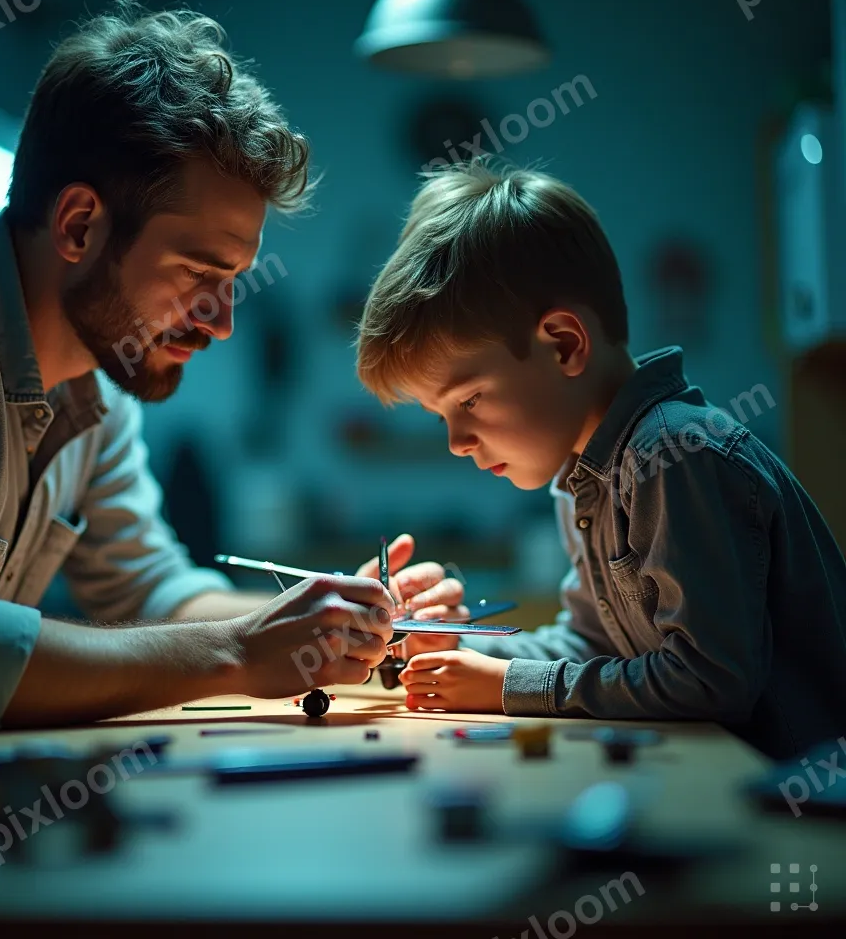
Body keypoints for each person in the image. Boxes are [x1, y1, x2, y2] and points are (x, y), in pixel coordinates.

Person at [0, 0, 464, 762]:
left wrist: (330, 619)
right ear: (79, 226)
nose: (222, 322)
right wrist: (235, 651)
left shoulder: (96, 386)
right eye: (200, 273)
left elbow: (151, 593)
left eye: (234, 281)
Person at [354, 160, 846, 760]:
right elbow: (593, 646)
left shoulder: (671, 455)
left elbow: (708, 680)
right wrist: (456, 649)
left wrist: (507, 686)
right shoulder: (585, 475)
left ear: (563, 344)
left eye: (470, 400)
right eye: (441, 416)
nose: (456, 442)